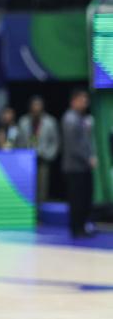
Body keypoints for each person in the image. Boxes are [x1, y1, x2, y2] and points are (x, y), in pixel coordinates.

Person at [61, 89, 96, 238]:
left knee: (85, 198)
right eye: (82, 100)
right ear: (74, 101)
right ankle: (76, 228)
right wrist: (87, 158)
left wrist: (91, 155)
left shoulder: (82, 118)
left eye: (86, 100)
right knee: (77, 200)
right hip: (74, 168)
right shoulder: (69, 118)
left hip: (83, 167)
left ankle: (83, 226)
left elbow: (86, 141)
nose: (85, 103)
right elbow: (73, 146)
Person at [15, 96, 60, 202]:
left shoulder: (50, 122)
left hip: (42, 159)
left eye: (38, 105)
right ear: (30, 107)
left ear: (42, 107)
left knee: (42, 188)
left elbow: (55, 141)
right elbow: (19, 141)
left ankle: (41, 209)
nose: (36, 108)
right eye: (34, 105)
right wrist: (21, 156)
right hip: (26, 160)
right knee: (27, 187)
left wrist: (49, 155)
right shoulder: (23, 121)